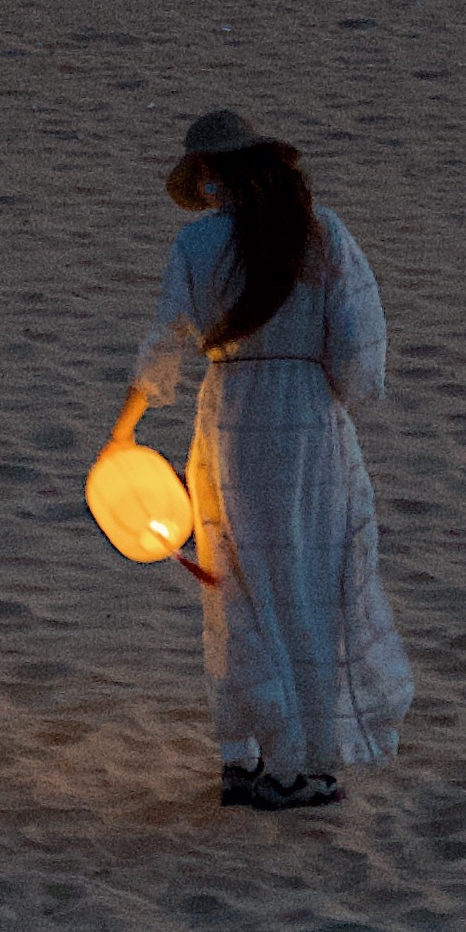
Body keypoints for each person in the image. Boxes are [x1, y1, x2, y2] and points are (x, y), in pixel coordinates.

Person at [107, 108, 410, 812]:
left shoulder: (198, 243)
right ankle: (300, 763)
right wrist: (320, 394)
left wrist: (121, 437)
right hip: (307, 422)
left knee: (235, 579)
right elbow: (360, 353)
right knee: (307, 582)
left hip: (232, 418)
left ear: (208, 174)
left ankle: (245, 754)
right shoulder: (322, 235)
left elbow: (163, 345)